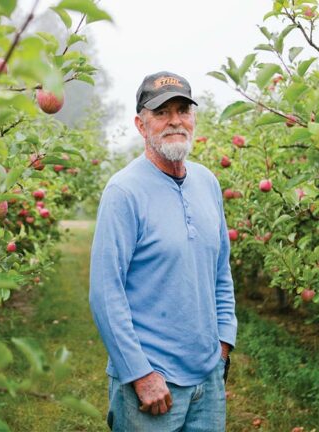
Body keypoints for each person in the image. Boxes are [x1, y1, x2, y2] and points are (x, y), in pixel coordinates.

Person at [89, 71, 238, 431]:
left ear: (193, 118)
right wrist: (139, 374)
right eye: (161, 112)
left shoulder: (207, 183)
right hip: (153, 383)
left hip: (208, 377)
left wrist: (223, 344)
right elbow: (105, 294)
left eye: (183, 110)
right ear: (141, 125)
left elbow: (220, 270)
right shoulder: (123, 192)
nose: (174, 120)